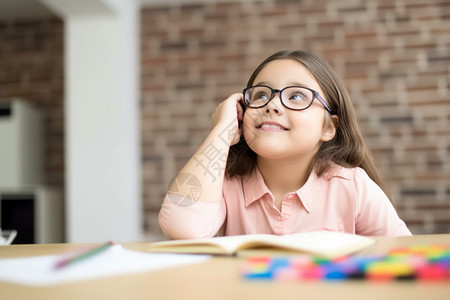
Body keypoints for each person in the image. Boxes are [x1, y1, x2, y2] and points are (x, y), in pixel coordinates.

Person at [159, 50, 411, 239]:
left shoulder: (353, 187)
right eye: (260, 95)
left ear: (328, 127)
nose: (272, 104)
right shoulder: (224, 187)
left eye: (297, 96)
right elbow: (182, 228)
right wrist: (221, 131)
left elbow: (405, 256)